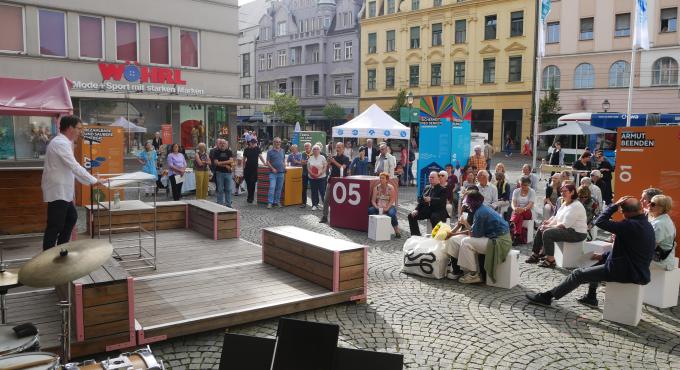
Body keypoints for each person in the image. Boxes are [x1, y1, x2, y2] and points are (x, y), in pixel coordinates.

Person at [526, 197, 655, 307]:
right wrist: (603, 255)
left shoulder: (631, 225)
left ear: (625, 212)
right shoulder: (645, 224)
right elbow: (629, 249)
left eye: (621, 211)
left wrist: (614, 206)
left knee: (578, 274)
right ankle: (591, 297)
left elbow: (600, 221)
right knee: (594, 263)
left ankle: (548, 297)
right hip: (634, 267)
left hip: (627, 271)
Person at [41, 116, 100, 250]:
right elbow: (74, 166)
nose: (81, 132)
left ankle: (62, 249)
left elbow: (72, 169)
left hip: (63, 191)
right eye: (79, 128)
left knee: (71, 217)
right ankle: (47, 256)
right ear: (70, 128)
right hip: (58, 191)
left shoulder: (64, 142)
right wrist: (94, 180)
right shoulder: (60, 143)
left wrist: (91, 181)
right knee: (55, 225)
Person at [444, 191, 512, 284]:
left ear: (473, 202)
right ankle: (458, 270)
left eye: (468, 203)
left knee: (466, 242)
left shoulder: (480, 212)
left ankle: (473, 274)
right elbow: (476, 232)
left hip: (499, 241)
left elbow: (474, 234)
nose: (467, 205)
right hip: (496, 237)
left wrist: (465, 223)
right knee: (457, 241)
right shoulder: (481, 209)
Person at [525, 183, 588, 268]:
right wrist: (548, 223)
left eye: (565, 191)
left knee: (548, 233)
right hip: (568, 229)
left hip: (577, 233)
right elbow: (556, 217)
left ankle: (550, 260)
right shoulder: (565, 203)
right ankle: (535, 254)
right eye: (562, 191)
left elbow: (564, 225)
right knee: (541, 228)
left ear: (572, 192)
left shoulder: (576, 206)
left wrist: (549, 227)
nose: (562, 193)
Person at [408, 171, 448, 236]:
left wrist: (431, 199)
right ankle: (416, 235)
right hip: (427, 210)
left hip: (438, 211)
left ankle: (436, 236)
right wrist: (416, 209)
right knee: (411, 215)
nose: (430, 178)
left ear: (438, 178)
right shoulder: (427, 187)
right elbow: (421, 201)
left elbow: (442, 201)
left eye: (432, 177)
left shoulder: (443, 189)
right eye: (429, 177)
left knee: (434, 217)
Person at [320, 142, 350, 223]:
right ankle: (324, 216)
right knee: (326, 199)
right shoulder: (333, 157)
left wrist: (334, 162)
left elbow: (342, 168)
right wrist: (329, 162)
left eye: (339, 147)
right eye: (337, 147)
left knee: (340, 201)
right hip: (331, 180)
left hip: (341, 182)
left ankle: (340, 217)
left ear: (343, 149)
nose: (337, 149)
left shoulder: (346, 158)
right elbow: (328, 168)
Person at [368, 172, 401, 238]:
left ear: (387, 180)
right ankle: (374, 229)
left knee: (391, 214)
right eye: (380, 178)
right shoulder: (376, 188)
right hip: (379, 206)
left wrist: (387, 208)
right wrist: (376, 207)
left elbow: (392, 200)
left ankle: (397, 231)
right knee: (370, 210)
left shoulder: (391, 188)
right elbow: (373, 200)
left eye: (383, 178)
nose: (381, 179)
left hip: (389, 206)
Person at [648, 195, 676, 271]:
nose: (649, 205)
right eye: (649, 202)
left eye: (653, 204)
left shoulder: (660, 223)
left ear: (662, 208)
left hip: (660, 262)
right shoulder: (663, 219)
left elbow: (650, 245)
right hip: (662, 260)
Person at [509, 176, 537, 245]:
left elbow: (530, 204)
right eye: (521, 184)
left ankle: (512, 222)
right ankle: (517, 236)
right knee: (520, 216)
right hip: (518, 211)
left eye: (525, 185)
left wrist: (523, 209)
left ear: (529, 185)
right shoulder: (516, 191)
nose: (523, 186)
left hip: (528, 211)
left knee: (520, 213)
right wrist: (514, 208)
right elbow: (513, 202)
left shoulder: (532, 192)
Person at [211, 139, 235, 208]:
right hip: (219, 173)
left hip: (228, 173)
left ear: (226, 144)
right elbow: (216, 163)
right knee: (220, 189)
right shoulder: (216, 152)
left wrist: (221, 163)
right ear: (219, 144)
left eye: (224, 143)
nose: (222, 144)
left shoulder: (229, 151)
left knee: (228, 189)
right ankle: (220, 204)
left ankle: (228, 204)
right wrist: (226, 165)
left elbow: (231, 160)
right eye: (221, 143)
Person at [266, 137, 286, 208]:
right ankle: (270, 202)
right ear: (273, 143)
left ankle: (276, 202)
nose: (278, 143)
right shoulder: (270, 152)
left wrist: (284, 167)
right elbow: (267, 162)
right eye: (276, 142)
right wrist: (273, 168)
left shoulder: (282, 151)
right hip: (273, 173)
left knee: (279, 188)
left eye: (279, 142)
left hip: (281, 172)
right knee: (272, 187)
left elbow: (283, 160)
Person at [307, 145, 327, 211]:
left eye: (317, 149)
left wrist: (320, 174)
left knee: (322, 191)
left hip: (321, 177)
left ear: (319, 150)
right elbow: (308, 167)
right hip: (312, 178)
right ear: (312, 150)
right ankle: (314, 205)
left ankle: (325, 205)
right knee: (314, 192)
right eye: (314, 149)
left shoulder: (322, 157)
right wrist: (311, 173)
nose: (315, 150)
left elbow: (325, 167)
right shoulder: (310, 158)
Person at [243, 138, 263, 204]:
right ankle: (249, 196)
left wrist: (265, 163)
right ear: (250, 143)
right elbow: (244, 159)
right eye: (253, 143)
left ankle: (251, 197)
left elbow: (260, 156)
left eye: (255, 143)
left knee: (253, 183)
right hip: (247, 169)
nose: (254, 144)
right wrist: (243, 167)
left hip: (254, 169)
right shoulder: (246, 150)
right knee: (248, 183)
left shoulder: (257, 149)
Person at [300, 142, 313, 208]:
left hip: (312, 174)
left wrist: (306, 161)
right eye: (305, 146)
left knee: (313, 189)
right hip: (304, 173)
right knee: (304, 188)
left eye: (308, 146)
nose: (306, 148)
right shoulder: (303, 153)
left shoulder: (313, 153)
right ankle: (303, 203)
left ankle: (314, 203)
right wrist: (307, 161)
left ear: (310, 147)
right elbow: (302, 163)